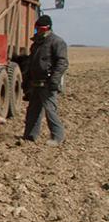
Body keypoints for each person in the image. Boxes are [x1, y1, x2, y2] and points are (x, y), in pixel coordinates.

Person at [22, 14, 69, 144]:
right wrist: (26, 81)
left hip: (48, 83)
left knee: (50, 111)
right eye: (37, 29)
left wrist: (54, 80)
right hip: (35, 83)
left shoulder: (57, 42)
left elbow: (62, 63)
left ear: (48, 28)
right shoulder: (36, 43)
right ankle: (29, 137)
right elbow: (31, 62)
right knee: (33, 111)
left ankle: (57, 137)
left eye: (41, 29)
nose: (39, 31)